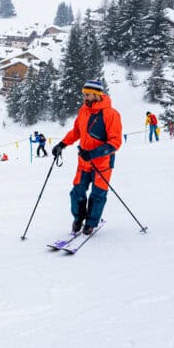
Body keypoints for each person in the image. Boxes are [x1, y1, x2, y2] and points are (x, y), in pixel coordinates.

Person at [52, 80, 122, 236]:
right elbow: (76, 131)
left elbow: (115, 142)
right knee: (77, 192)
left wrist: (93, 153)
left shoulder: (111, 114)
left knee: (98, 194)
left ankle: (90, 223)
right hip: (84, 162)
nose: (84, 98)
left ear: (97, 95)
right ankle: (78, 219)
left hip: (102, 163)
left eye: (87, 95)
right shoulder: (83, 110)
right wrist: (62, 144)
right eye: (83, 94)